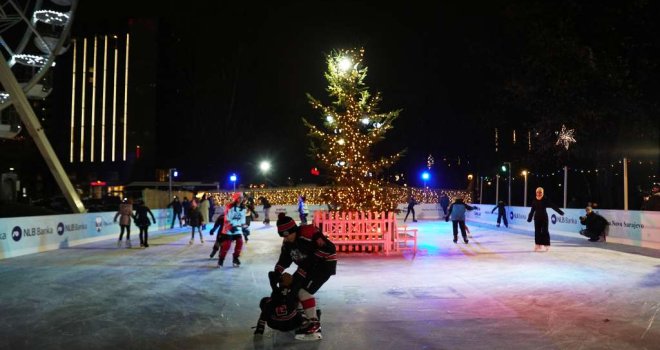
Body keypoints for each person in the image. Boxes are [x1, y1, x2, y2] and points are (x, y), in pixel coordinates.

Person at [271, 213, 337, 340]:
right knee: (293, 288)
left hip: (324, 265)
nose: (287, 237)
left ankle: (313, 324)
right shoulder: (287, 243)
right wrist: (276, 272)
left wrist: (309, 261)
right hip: (307, 267)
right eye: (283, 235)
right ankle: (305, 317)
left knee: (303, 290)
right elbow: (284, 260)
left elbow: (330, 249)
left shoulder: (309, 232)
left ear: (294, 230)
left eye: (288, 234)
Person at [253, 272, 321, 341]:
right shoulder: (294, 290)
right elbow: (300, 280)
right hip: (293, 324)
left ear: (280, 282)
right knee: (299, 302)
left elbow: (271, 274)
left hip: (275, 324)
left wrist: (279, 276)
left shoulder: (275, 291)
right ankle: (312, 321)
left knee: (265, 302)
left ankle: (260, 328)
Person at [527, 187, 564, 252]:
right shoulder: (534, 200)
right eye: (538, 192)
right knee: (537, 232)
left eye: (540, 192)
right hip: (537, 218)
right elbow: (532, 210)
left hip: (544, 218)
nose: (539, 193)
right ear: (536, 193)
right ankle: (538, 244)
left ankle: (546, 244)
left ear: (542, 193)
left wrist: (560, 212)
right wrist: (529, 218)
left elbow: (553, 206)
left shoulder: (545, 199)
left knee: (545, 231)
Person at [218, 192, 246, 267]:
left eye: (242, 197)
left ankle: (235, 258)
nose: (241, 199)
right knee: (227, 245)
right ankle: (221, 259)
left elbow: (242, 219)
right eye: (239, 197)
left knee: (240, 242)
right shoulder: (230, 207)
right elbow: (226, 218)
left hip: (237, 228)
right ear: (236, 198)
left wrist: (244, 226)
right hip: (229, 228)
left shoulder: (243, 208)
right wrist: (231, 226)